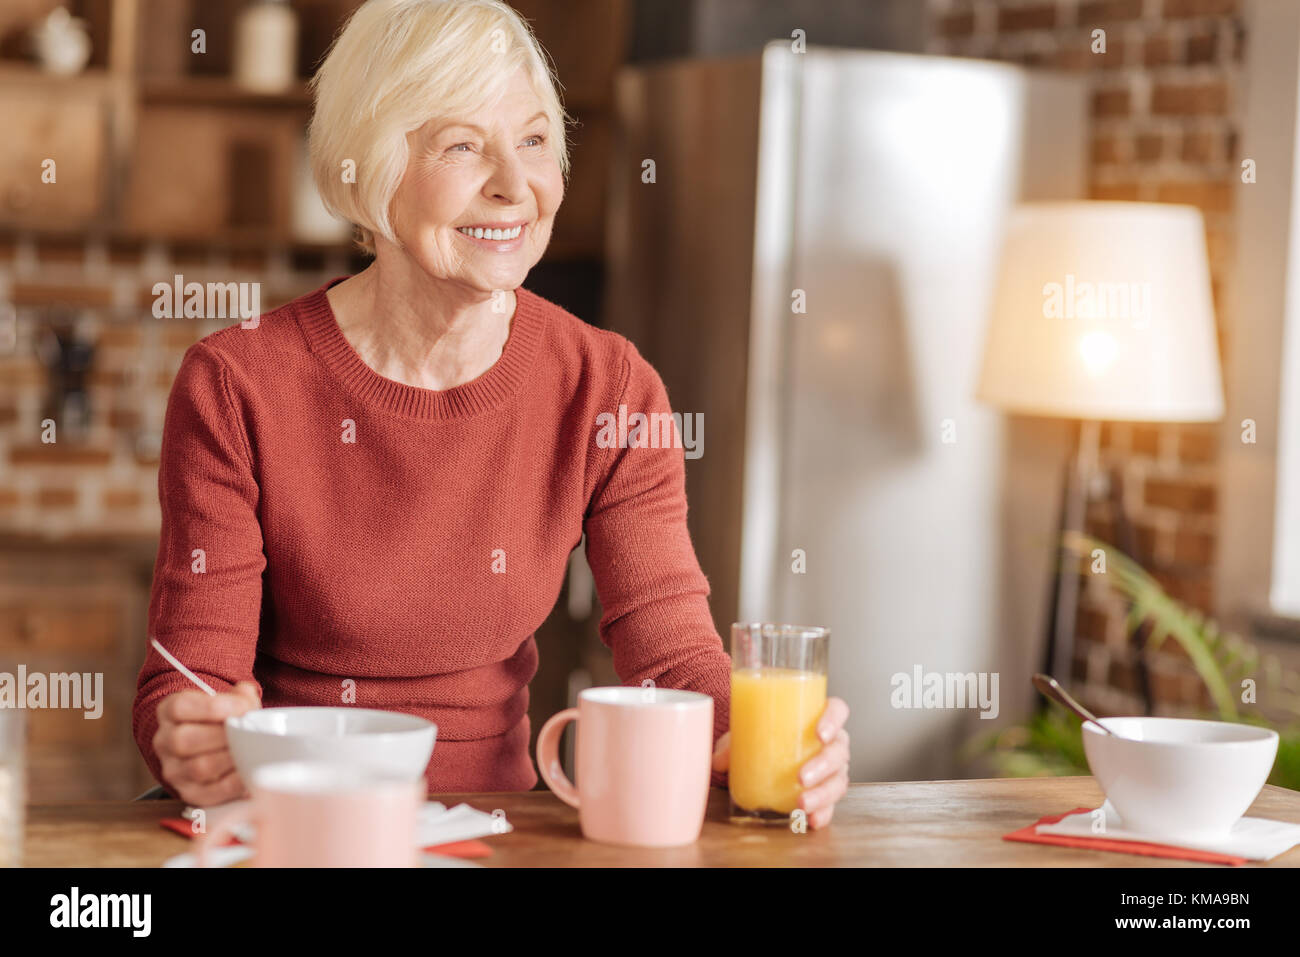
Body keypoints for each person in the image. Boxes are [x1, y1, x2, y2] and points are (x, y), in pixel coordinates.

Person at [132, 0, 850, 827]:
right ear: (368, 169)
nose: (516, 185)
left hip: (495, 832)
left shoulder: (609, 387)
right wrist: (191, 736)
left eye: (535, 141)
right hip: (293, 827)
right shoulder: (236, 381)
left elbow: (671, 650)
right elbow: (188, 680)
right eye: (463, 145)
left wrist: (753, 741)